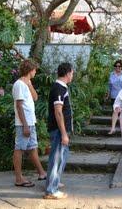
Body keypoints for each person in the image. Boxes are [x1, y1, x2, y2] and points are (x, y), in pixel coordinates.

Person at [12, 59, 47, 188]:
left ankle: (41, 173)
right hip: (23, 123)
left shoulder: (26, 84)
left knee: (33, 147)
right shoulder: (19, 84)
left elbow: (35, 97)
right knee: (19, 149)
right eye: (34, 70)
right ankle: (18, 178)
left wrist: (30, 84)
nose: (35, 72)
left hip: (31, 122)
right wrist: (25, 125)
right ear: (29, 70)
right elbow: (19, 106)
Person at [43, 63, 74, 199]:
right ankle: (51, 190)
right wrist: (63, 133)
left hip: (61, 130)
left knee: (61, 157)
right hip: (58, 131)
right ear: (67, 73)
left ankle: (54, 182)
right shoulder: (59, 88)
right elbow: (58, 112)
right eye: (72, 73)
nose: (72, 75)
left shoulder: (61, 87)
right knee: (56, 158)